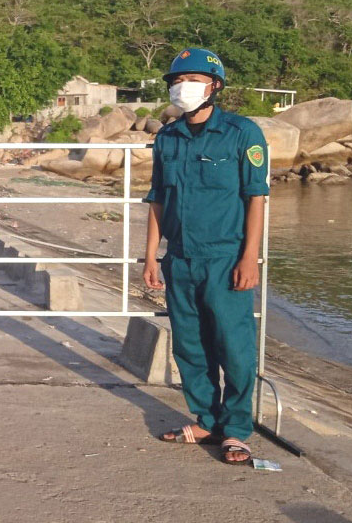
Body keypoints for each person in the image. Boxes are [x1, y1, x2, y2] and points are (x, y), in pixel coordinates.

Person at [142, 47, 269, 466]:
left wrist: (250, 258)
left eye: (195, 79)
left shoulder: (242, 132)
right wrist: (150, 257)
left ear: (215, 85)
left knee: (233, 346)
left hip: (226, 256)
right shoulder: (167, 136)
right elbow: (158, 199)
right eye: (179, 80)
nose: (185, 87)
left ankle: (235, 431)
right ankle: (205, 420)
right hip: (180, 258)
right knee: (191, 347)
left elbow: (256, 199)